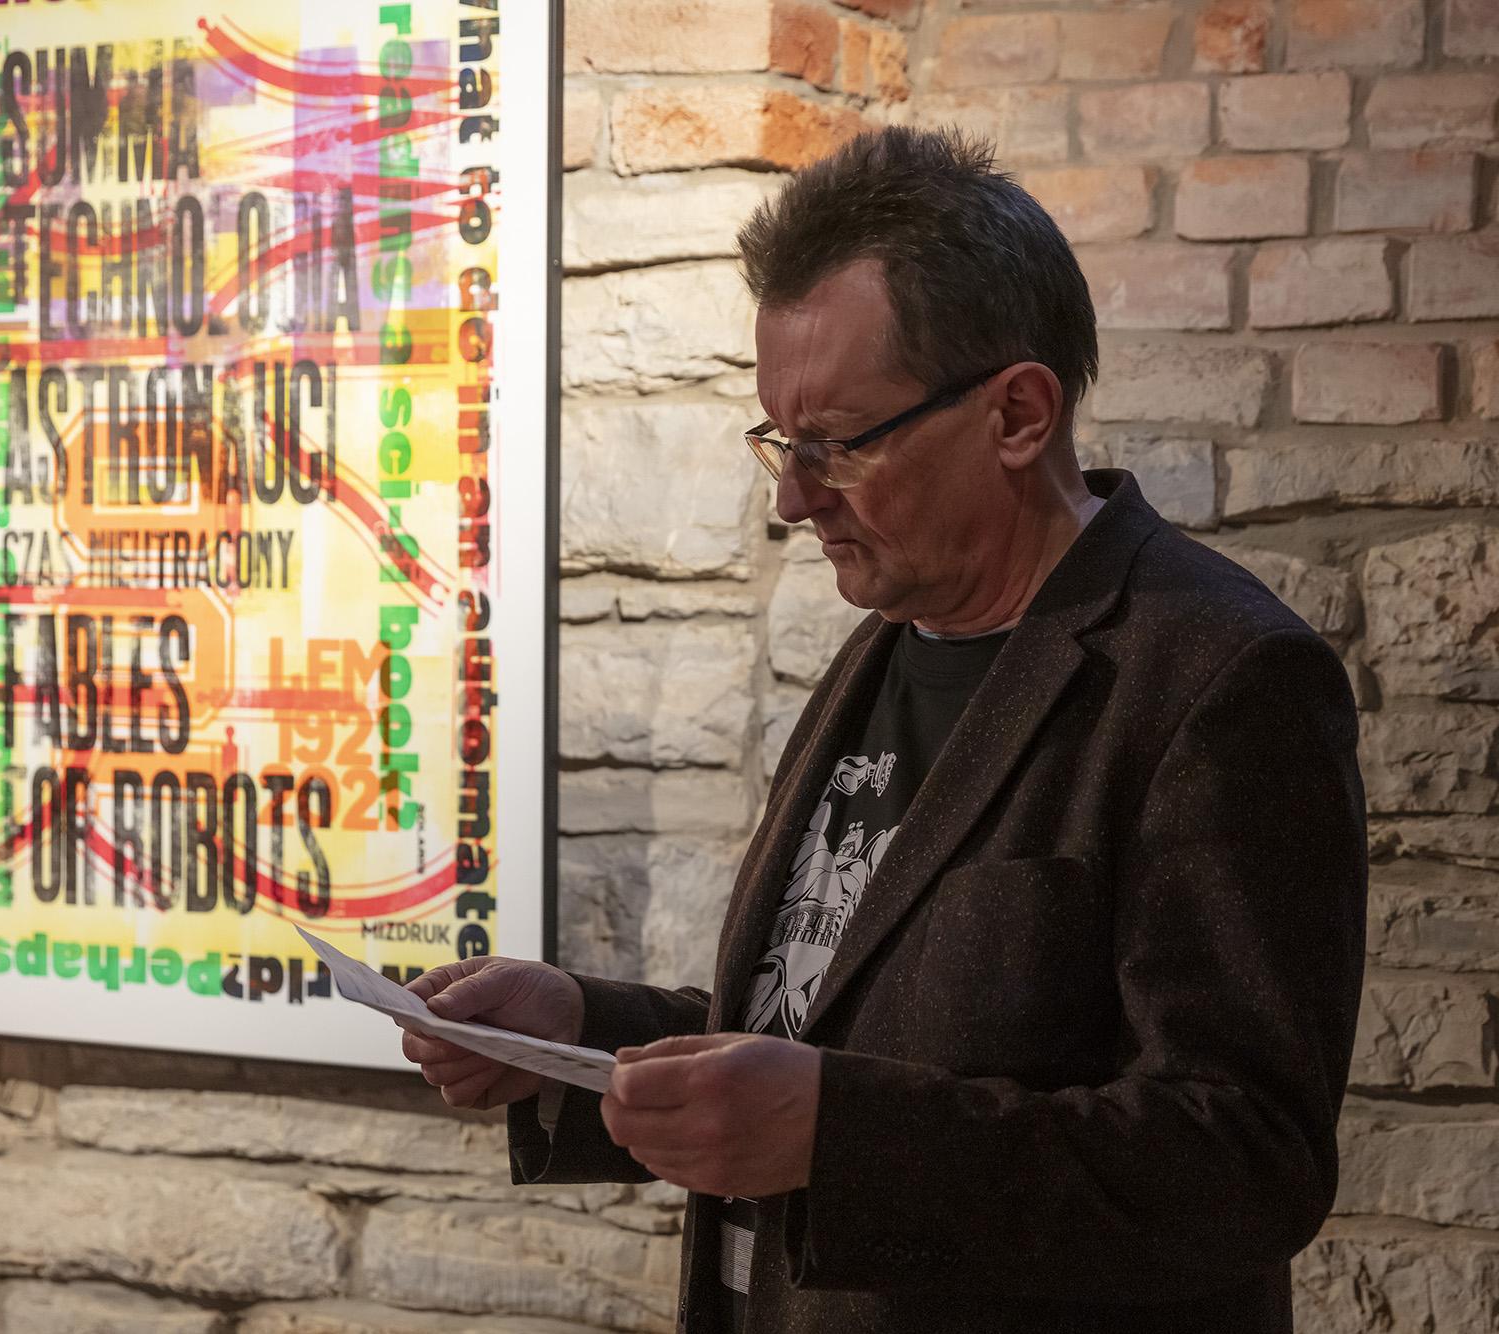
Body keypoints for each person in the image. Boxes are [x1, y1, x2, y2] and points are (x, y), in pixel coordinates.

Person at [399, 125, 1368, 1333]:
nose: (791, 495)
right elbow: (826, 1025)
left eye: (835, 444)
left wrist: (838, 1134)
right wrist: (582, 1032)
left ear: (1017, 414)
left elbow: (1244, 1159)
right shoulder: (889, 635)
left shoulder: (1218, 678)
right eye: (780, 440)